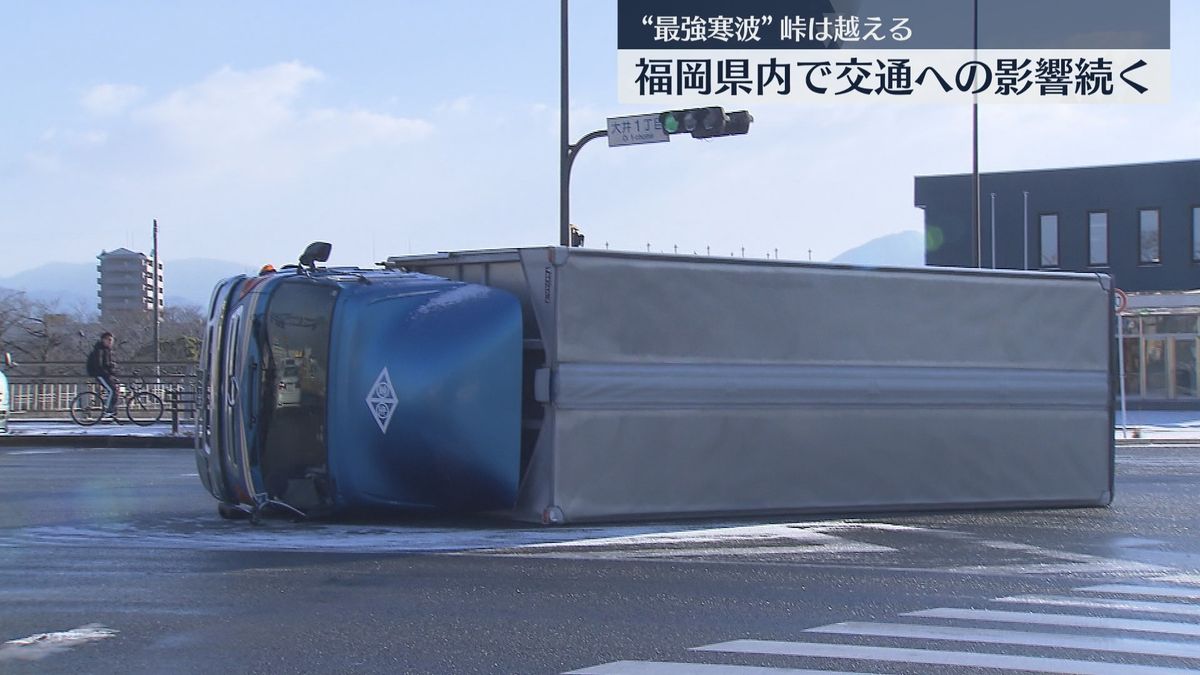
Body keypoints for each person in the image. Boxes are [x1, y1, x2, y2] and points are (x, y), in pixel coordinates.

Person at [86, 332, 118, 418]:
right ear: (103, 340)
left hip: (104, 373)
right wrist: (109, 373)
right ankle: (108, 410)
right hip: (99, 374)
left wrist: (112, 370)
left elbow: (107, 364)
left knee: (114, 390)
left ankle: (112, 410)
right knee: (112, 390)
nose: (110, 342)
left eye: (111, 340)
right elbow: (99, 365)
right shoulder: (99, 350)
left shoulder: (107, 350)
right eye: (109, 340)